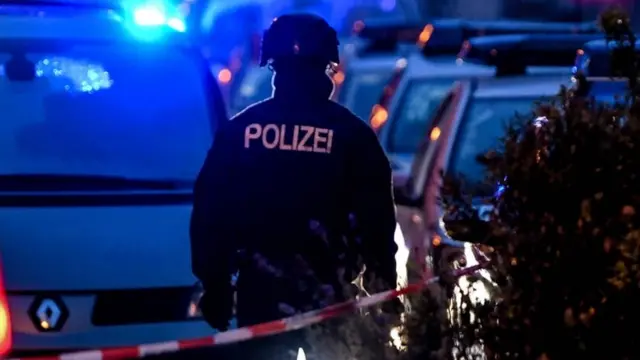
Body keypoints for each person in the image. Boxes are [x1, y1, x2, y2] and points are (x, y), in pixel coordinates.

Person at [189, 13, 398, 359]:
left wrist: (216, 285)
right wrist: (383, 287)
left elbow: (211, 212)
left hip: (260, 298)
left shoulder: (240, 132)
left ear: (273, 68)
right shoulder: (352, 136)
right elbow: (376, 221)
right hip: (332, 302)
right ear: (328, 68)